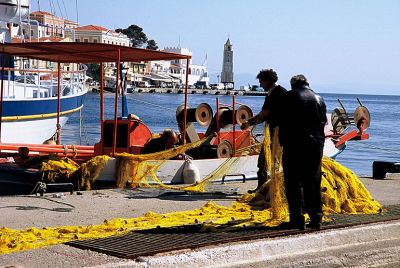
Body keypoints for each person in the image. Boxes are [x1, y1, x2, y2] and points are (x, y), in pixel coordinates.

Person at [279, 74, 327, 230]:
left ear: (293, 85)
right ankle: (316, 219)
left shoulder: (289, 96)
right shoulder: (319, 99)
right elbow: (323, 122)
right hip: (315, 146)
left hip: (294, 145)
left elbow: (281, 119)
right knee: (313, 182)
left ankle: (297, 219)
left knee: (293, 183)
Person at [241, 69, 287, 193]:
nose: (260, 85)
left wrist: (248, 123)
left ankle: (263, 189)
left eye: (261, 82)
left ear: (268, 81)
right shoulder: (278, 92)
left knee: (264, 162)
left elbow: (264, 114)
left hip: (277, 134)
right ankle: (266, 189)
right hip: (279, 133)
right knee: (270, 162)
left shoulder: (277, 93)